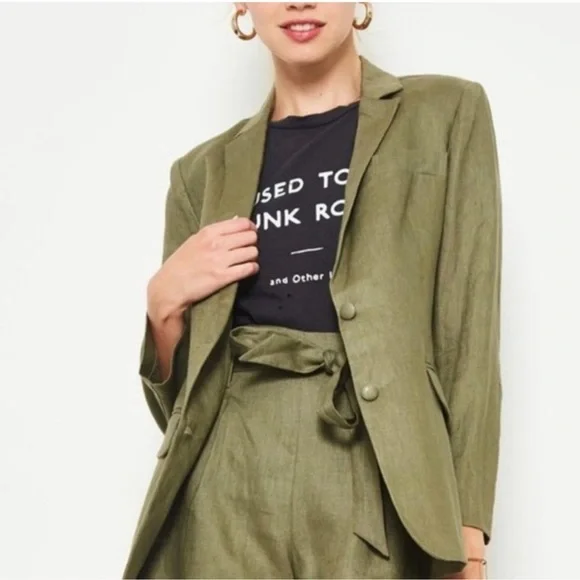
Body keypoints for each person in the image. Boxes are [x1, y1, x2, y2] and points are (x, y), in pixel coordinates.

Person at [122, 2, 503, 579]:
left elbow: (469, 335)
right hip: (228, 484)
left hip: (378, 474)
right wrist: (162, 307)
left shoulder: (445, 112)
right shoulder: (201, 173)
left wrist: (469, 538)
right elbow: (183, 410)